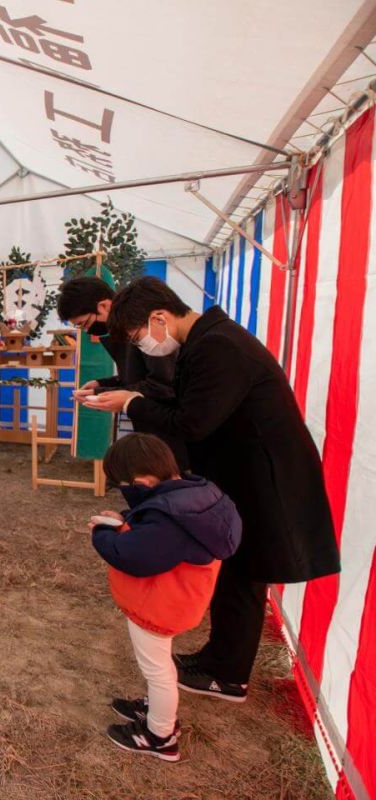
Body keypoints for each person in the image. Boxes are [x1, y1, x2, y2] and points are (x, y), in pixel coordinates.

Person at [85, 276, 340, 701]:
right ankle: (216, 660)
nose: (144, 346)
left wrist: (130, 403)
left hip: (265, 477)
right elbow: (178, 400)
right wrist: (121, 391)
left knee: (244, 573)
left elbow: (192, 422)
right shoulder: (206, 342)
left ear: (159, 318)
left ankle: (228, 674)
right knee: (234, 570)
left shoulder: (220, 347)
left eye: (138, 337)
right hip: (246, 471)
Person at [91, 434, 241, 762]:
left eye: (124, 487)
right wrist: (125, 522)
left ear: (142, 482)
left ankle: (160, 736)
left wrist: (103, 531)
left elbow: (132, 555)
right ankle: (157, 708)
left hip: (159, 607)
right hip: (180, 600)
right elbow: (151, 532)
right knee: (160, 667)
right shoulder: (196, 496)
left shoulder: (169, 519)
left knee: (158, 671)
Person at [58, 276, 187, 468]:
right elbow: (136, 376)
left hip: (172, 432)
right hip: (151, 428)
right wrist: (103, 384)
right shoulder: (125, 329)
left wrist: (103, 395)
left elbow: (161, 384)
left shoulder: (145, 327)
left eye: (84, 323)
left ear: (103, 306)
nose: (86, 332)